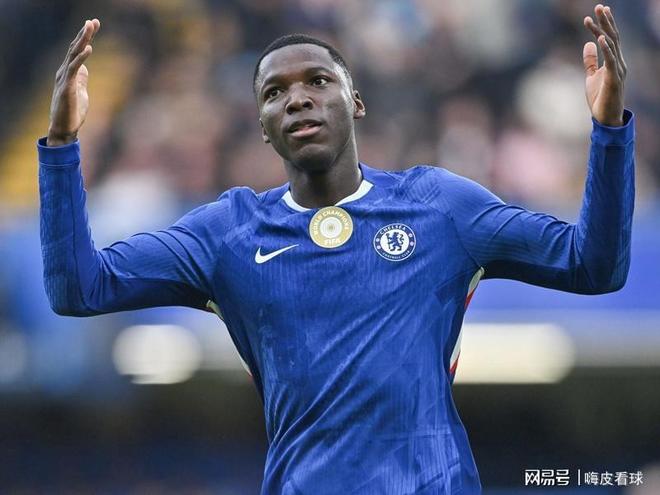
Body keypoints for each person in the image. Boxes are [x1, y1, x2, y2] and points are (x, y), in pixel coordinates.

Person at [39, 4, 633, 494]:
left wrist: (609, 132)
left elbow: (594, 265)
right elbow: (79, 289)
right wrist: (62, 144)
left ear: (356, 102)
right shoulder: (227, 234)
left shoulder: (441, 207)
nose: (297, 99)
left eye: (318, 82)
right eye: (275, 92)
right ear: (263, 125)